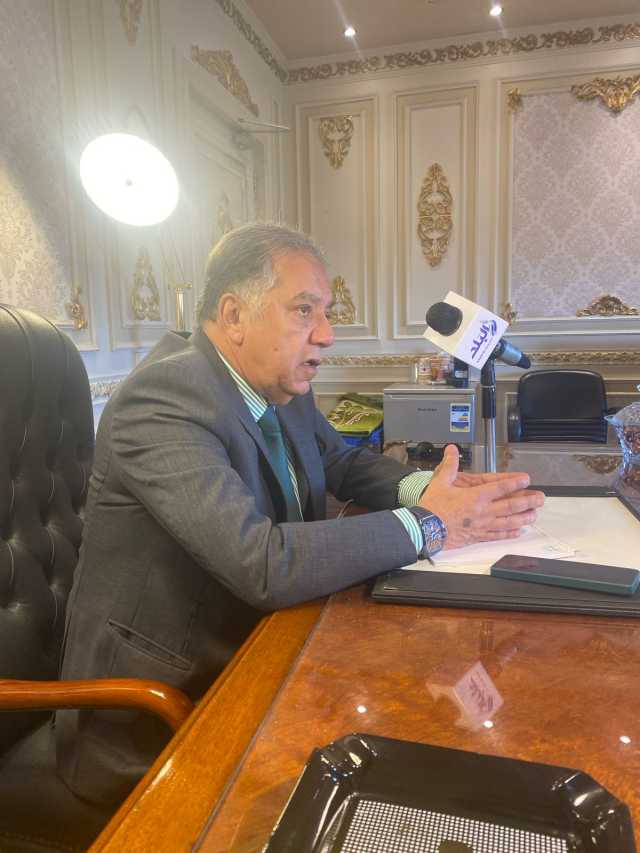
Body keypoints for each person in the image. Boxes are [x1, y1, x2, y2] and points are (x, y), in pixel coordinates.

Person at [56, 223, 544, 805]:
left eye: (326, 312)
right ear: (234, 315)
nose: (328, 335)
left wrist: (436, 489)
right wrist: (432, 523)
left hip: (264, 653)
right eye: (304, 310)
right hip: (157, 713)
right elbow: (261, 563)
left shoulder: (278, 384)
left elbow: (340, 461)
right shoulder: (165, 398)